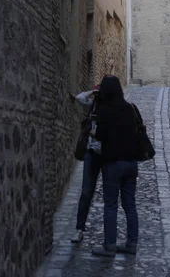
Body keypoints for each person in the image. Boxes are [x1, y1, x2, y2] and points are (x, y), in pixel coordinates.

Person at [91, 75, 141, 257]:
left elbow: (100, 136)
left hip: (113, 164)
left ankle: (109, 245)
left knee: (111, 205)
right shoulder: (129, 109)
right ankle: (131, 243)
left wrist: (93, 131)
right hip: (131, 163)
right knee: (130, 205)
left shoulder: (105, 110)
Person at [71, 87, 102, 243]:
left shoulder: (114, 106)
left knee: (111, 197)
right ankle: (79, 228)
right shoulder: (93, 104)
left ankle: (109, 237)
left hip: (108, 155)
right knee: (86, 192)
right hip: (91, 152)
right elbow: (79, 97)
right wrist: (92, 91)